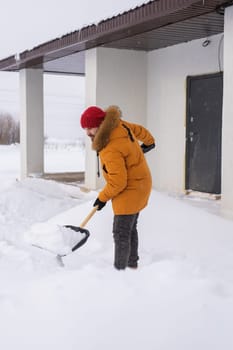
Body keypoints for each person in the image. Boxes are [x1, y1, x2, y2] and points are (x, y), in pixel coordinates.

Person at [80, 105, 155, 270]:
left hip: (130, 188)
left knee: (121, 232)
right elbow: (140, 130)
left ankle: (120, 272)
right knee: (129, 228)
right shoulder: (119, 124)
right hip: (141, 182)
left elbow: (118, 182)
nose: (87, 132)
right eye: (85, 128)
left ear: (101, 125)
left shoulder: (109, 148)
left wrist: (102, 198)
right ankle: (131, 265)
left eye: (90, 128)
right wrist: (149, 142)